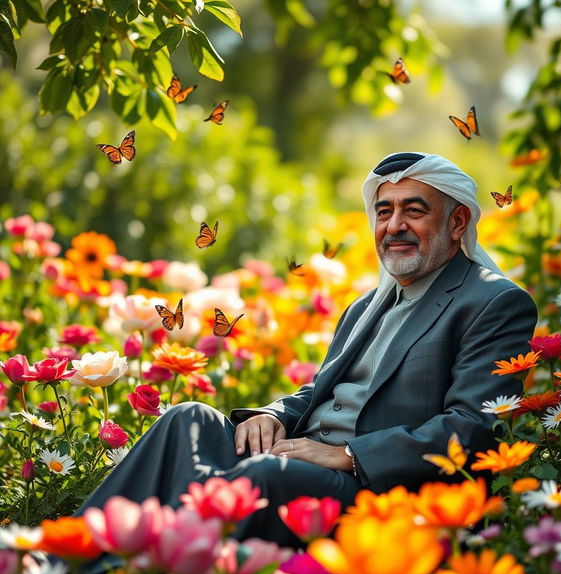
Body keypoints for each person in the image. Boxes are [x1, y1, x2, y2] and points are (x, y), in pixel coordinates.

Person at [77, 152, 537, 552]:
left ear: (458, 223)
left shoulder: (492, 303)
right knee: (188, 420)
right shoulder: (366, 305)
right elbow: (322, 391)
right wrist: (274, 416)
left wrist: (349, 456)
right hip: (305, 458)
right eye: (384, 212)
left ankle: (140, 568)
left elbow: (474, 427)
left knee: (265, 475)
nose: (395, 225)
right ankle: (70, 549)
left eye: (414, 211)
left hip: (380, 493)